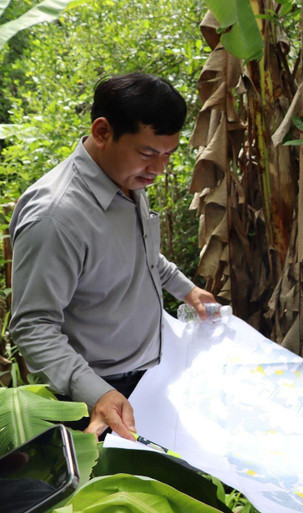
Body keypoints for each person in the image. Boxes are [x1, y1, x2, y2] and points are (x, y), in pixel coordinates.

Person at [9, 73, 216, 441]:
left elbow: (141, 255)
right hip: (94, 398)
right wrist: (96, 392)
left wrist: (186, 289)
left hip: (146, 379)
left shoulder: (126, 179)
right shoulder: (56, 217)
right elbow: (33, 326)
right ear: (103, 132)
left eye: (167, 155)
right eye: (148, 154)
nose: (159, 169)